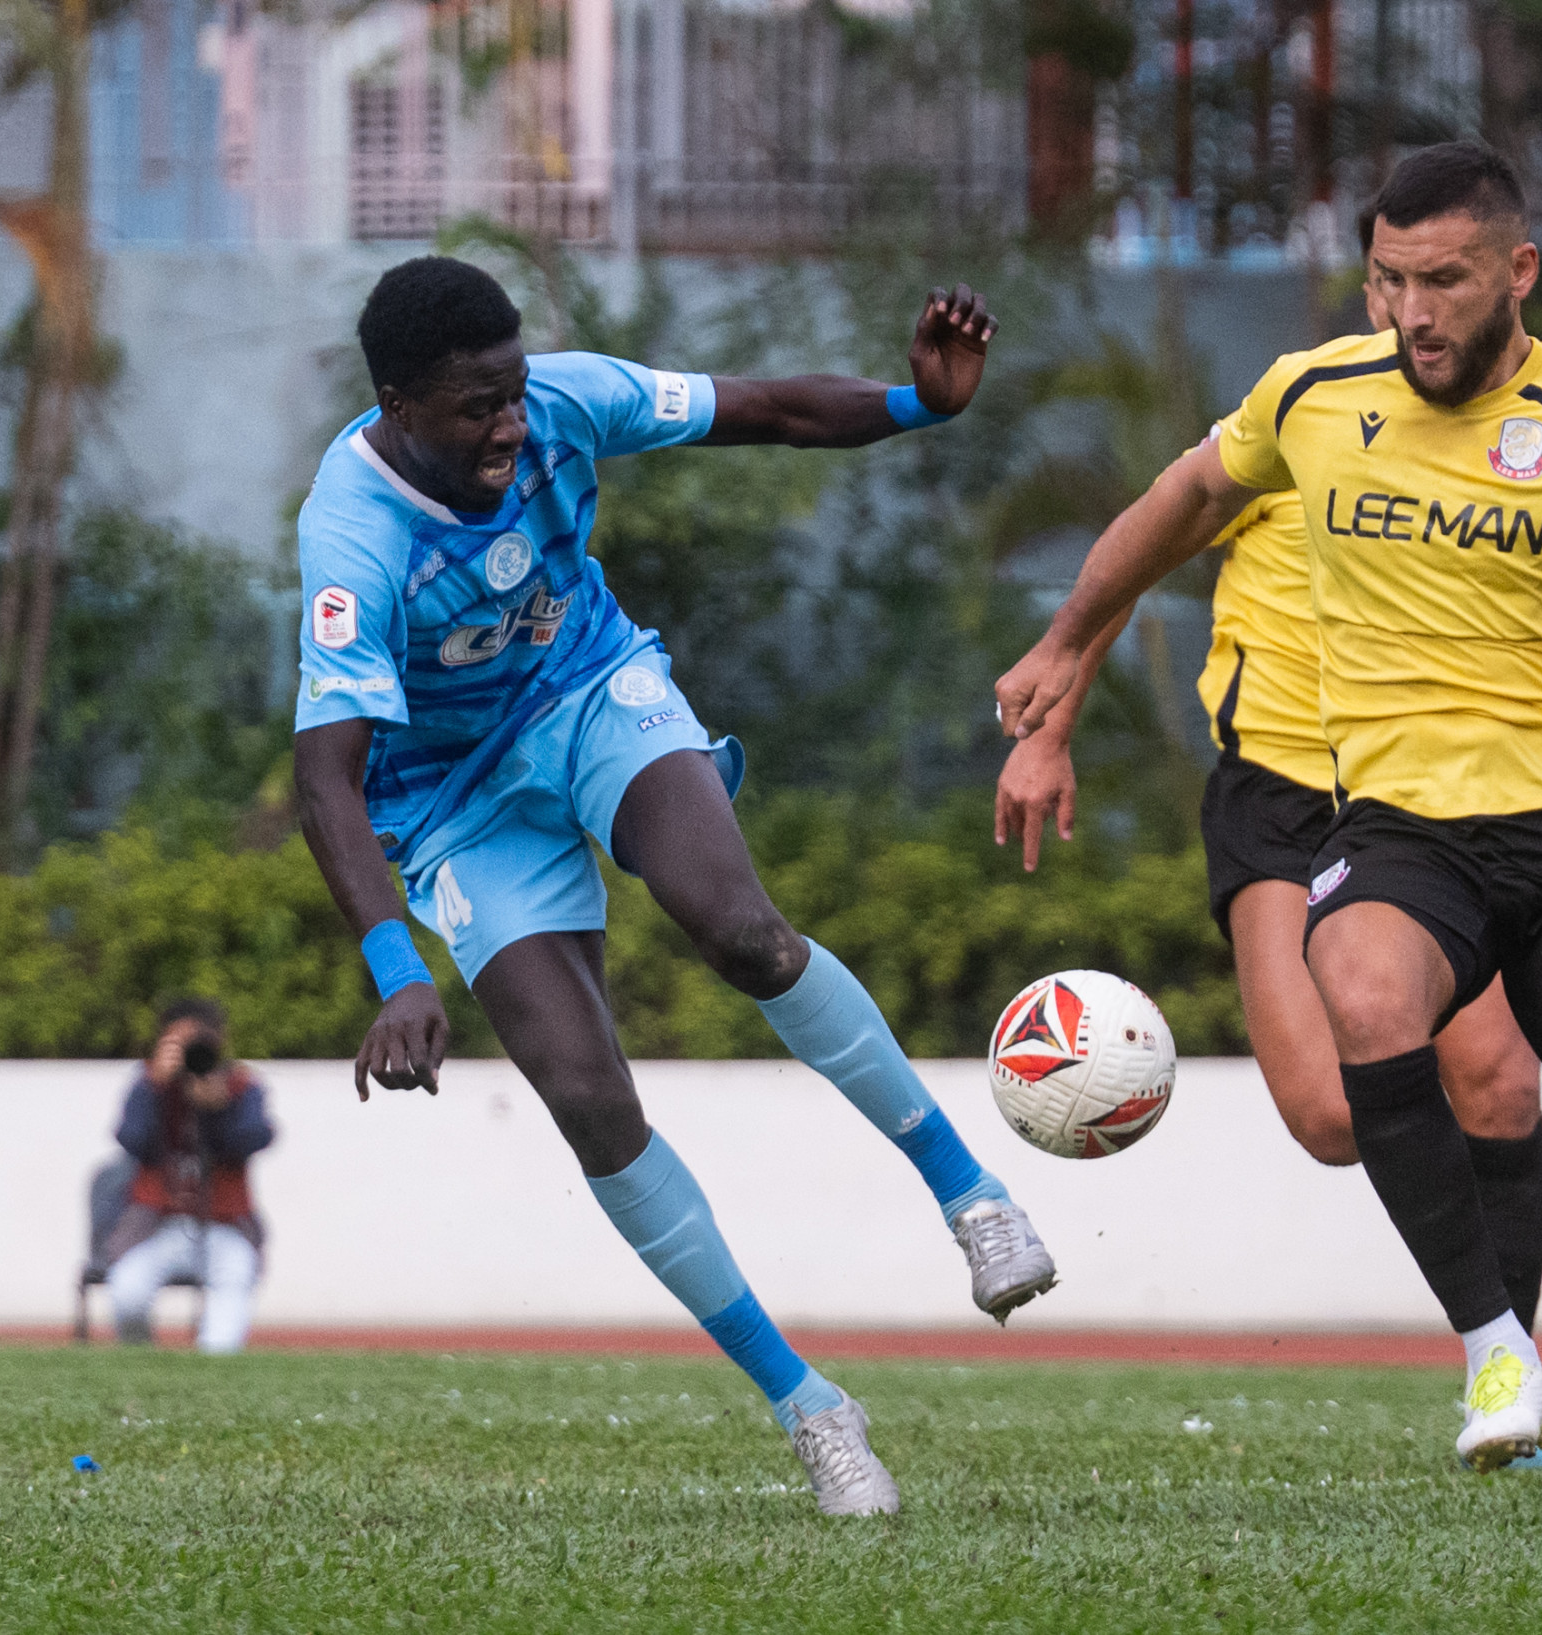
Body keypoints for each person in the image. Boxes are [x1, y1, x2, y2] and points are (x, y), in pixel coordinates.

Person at [994, 142, 1542, 1523]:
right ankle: (1496, 1353)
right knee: (1359, 1009)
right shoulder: (1309, 397)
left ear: (1516, 272)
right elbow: (1178, 502)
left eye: (1443, 282)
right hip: (1390, 820)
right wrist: (1065, 646)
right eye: (1387, 281)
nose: (1412, 312)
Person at [291, 257, 1055, 1518]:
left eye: (515, 392)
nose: (512, 426)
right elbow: (326, 780)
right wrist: (395, 970)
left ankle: (973, 1199)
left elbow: (767, 409)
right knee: (588, 1100)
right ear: (397, 406)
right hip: (453, 805)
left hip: (590, 692)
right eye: (478, 408)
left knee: (744, 934)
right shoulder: (351, 537)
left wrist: (917, 403)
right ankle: (811, 1409)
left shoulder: (563, 399)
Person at [104, 999, 274, 1354]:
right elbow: (131, 1140)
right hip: (156, 1224)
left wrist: (220, 1109)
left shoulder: (240, 1086)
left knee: (235, 1279)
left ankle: (215, 1368)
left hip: (224, 1223)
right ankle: (140, 1365)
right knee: (128, 1292)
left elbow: (256, 1138)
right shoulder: (148, 1084)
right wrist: (154, 1087)